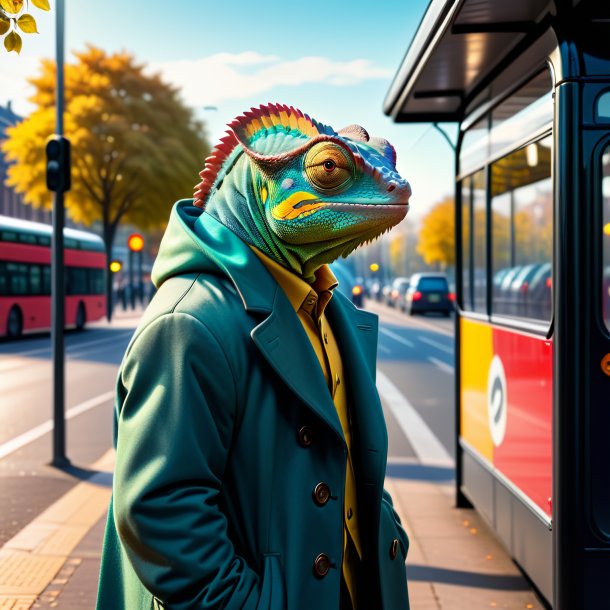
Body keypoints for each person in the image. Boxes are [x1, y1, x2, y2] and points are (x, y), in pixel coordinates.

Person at [96, 103, 412, 610]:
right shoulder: (189, 322)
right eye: (329, 171)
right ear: (265, 189)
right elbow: (160, 513)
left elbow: (347, 452)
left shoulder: (323, 303)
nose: (392, 186)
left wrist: (384, 530)